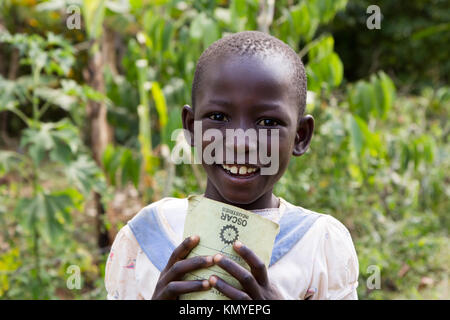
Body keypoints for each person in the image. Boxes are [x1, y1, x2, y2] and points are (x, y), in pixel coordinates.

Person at [105, 31, 359, 300]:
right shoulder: (147, 235)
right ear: (191, 127)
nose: (240, 143)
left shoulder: (319, 244)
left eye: (268, 123)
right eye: (218, 117)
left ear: (300, 136)